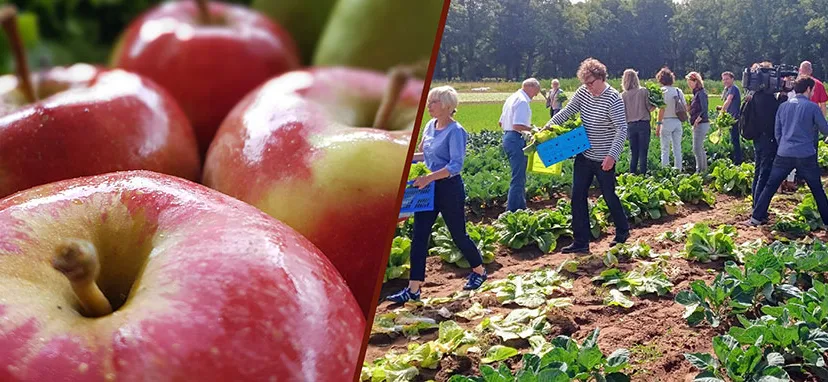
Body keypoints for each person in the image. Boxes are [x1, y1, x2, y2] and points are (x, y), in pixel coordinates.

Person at [388, 86, 487, 303]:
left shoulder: (456, 131)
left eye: (433, 102)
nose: (429, 106)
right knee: (419, 236)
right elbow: (425, 154)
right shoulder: (429, 126)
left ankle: (479, 271)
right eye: (429, 101)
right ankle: (413, 289)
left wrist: (429, 177)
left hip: (449, 188)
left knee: (458, 234)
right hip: (428, 188)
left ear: (447, 106)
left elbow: (455, 165)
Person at [540, 58, 630, 253]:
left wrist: (611, 156)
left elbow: (621, 129)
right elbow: (567, 112)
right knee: (577, 196)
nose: (588, 87)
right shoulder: (583, 93)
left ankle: (622, 231)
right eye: (585, 84)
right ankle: (581, 242)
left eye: (591, 83)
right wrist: (547, 128)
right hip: (584, 154)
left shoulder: (613, 98)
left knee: (608, 195)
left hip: (604, 157)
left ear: (601, 78)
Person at [747, 76, 828, 227]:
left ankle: (756, 218)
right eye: (812, 90)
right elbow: (825, 129)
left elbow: (777, 131)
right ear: (808, 89)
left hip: (784, 152)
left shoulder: (783, 106)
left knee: (770, 186)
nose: (812, 93)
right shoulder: (812, 107)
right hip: (805, 154)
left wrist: (783, 144)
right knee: (817, 189)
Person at [740, 64, 788, 208]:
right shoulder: (767, 98)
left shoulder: (754, 95)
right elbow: (774, 115)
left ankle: (756, 204)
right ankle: (759, 207)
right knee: (764, 173)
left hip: (758, 137)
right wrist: (783, 98)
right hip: (767, 137)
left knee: (758, 170)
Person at [499, 78, 540, 212]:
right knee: (518, 177)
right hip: (516, 138)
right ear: (531, 87)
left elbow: (501, 123)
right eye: (536, 92)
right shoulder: (522, 101)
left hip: (507, 137)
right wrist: (534, 129)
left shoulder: (511, 98)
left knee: (518, 174)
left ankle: (521, 207)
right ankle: (513, 210)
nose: (535, 96)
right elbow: (517, 125)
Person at [621, 69, 656, 174]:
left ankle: (632, 174)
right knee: (643, 153)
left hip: (630, 125)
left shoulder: (623, 95)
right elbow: (650, 108)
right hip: (643, 124)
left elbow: (623, 113)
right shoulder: (643, 91)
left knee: (634, 152)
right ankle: (643, 175)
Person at [655, 67, 685, 171]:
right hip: (677, 121)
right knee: (677, 148)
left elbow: (661, 110)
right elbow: (684, 107)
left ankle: (666, 170)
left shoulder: (662, 92)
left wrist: (658, 125)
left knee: (665, 149)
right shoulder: (678, 91)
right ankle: (678, 170)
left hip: (666, 121)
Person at [686, 71, 710, 174]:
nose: (688, 84)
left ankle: (699, 170)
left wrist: (697, 119)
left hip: (701, 123)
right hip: (699, 123)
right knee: (700, 147)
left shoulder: (701, 93)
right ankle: (703, 169)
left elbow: (704, 109)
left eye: (690, 81)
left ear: (696, 81)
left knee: (696, 148)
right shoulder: (696, 93)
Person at [720, 71, 743, 164]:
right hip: (730, 118)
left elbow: (728, 101)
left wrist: (721, 112)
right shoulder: (728, 89)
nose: (725, 81)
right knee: (733, 140)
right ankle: (736, 159)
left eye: (727, 79)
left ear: (732, 79)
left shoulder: (733, 88)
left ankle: (738, 161)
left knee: (735, 140)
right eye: (724, 79)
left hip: (734, 118)